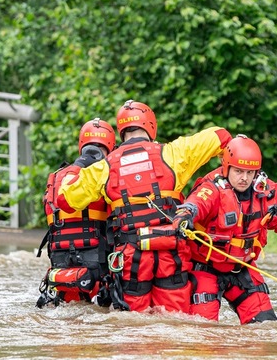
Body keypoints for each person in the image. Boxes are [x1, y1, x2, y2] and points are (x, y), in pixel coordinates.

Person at [54, 100, 231, 313]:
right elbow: (221, 135)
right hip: (171, 256)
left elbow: (64, 199)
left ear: (121, 131)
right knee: (173, 322)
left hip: (132, 260)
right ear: (151, 125)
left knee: (134, 333)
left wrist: (80, 165)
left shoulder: (105, 167)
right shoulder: (174, 153)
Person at [172, 134, 277, 324]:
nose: (244, 178)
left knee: (266, 327)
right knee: (203, 330)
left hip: (243, 269)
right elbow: (196, 204)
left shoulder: (266, 192)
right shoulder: (212, 189)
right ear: (226, 167)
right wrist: (186, 215)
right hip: (205, 270)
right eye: (238, 171)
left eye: (250, 172)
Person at [36, 118, 116, 308]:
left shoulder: (55, 178)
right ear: (111, 145)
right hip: (98, 263)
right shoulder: (106, 172)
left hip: (60, 264)